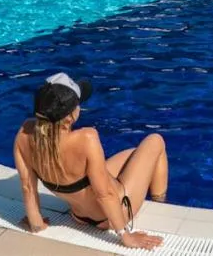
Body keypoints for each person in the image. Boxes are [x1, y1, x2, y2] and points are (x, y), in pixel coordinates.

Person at [14, 73, 166, 249]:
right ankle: (160, 204)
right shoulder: (86, 138)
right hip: (112, 215)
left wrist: (36, 223)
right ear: (70, 116)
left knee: (135, 153)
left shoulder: (23, 135)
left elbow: (27, 186)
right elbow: (104, 194)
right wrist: (125, 235)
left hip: (78, 216)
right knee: (156, 142)